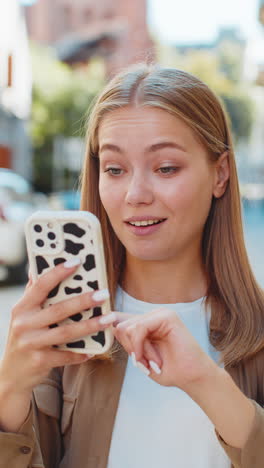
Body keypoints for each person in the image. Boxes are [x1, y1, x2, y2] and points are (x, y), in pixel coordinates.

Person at [0, 63, 263, 468]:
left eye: (166, 168)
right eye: (115, 169)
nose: (135, 194)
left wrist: (207, 383)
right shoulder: (65, 329)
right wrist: (9, 392)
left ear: (220, 174)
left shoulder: (257, 332)